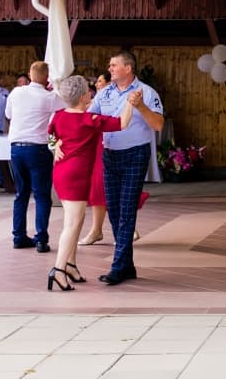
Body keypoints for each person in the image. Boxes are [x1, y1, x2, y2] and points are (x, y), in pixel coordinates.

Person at [47, 75, 133, 291]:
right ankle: (57, 270)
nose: (90, 92)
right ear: (83, 96)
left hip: (61, 173)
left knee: (76, 218)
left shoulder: (58, 116)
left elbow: (49, 135)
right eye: (87, 89)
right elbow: (122, 123)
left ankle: (70, 264)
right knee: (72, 224)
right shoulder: (90, 120)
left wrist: (54, 145)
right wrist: (131, 103)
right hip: (76, 176)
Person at [88, 51, 165, 285]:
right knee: (114, 209)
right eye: (110, 65)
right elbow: (90, 118)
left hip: (135, 154)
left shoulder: (147, 92)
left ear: (128, 68)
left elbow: (158, 125)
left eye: (114, 65)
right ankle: (127, 266)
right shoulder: (105, 93)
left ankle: (117, 267)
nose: (109, 68)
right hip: (110, 155)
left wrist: (140, 106)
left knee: (127, 208)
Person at [5, 61, 63, 252]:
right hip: (37, 149)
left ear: (30, 75)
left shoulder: (15, 93)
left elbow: (8, 114)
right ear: (46, 78)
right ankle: (41, 239)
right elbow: (67, 102)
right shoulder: (49, 97)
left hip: (16, 148)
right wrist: (55, 86)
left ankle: (19, 236)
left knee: (21, 194)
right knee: (41, 195)